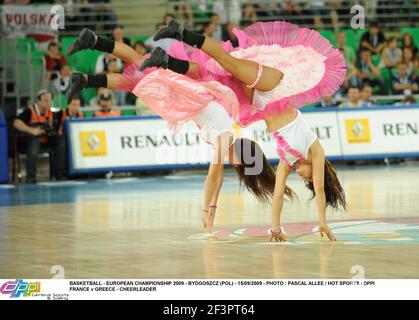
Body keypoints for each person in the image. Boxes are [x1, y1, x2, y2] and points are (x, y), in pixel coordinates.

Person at [141, 20, 347, 241]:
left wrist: (275, 229)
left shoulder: (287, 161)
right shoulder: (315, 150)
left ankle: (166, 61)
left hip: (258, 105)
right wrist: (322, 221)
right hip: (272, 87)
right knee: (228, 63)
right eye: (306, 178)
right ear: (316, 173)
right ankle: (181, 32)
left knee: (215, 76)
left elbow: (277, 195)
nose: (302, 176)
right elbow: (320, 188)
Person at [65, 28, 282, 233]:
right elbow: (212, 178)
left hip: (188, 99)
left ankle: (84, 78)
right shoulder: (225, 137)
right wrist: (205, 210)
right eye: (238, 166)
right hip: (187, 97)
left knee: (136, 82)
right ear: (242, 158)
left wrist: (213, 207)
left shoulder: (228, 137)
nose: (233, 165)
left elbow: (218, 179)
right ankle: (92, 43)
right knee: (138, 65)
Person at [13, 91, 64, 183]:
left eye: (50, 101)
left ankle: (58, 175)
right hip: (28, 142)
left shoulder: (51, 112)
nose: (48, 103)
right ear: (39, 101)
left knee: (59, 140)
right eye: (46, 101)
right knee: (34, 142)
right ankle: (31, 177)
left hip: (44, 140)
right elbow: (16, 123)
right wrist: (32, 130)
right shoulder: (29, 110)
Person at [54, 98, 84, 179]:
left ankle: (81, 171)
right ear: (68, 105)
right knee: (61, 144)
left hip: (76, 138)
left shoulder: (81, 115)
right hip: (62, 138)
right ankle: (60, 171)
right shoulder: (60, 113)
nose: (75, 107)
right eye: (73, 105)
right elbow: (55, 128)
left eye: (77, 105)